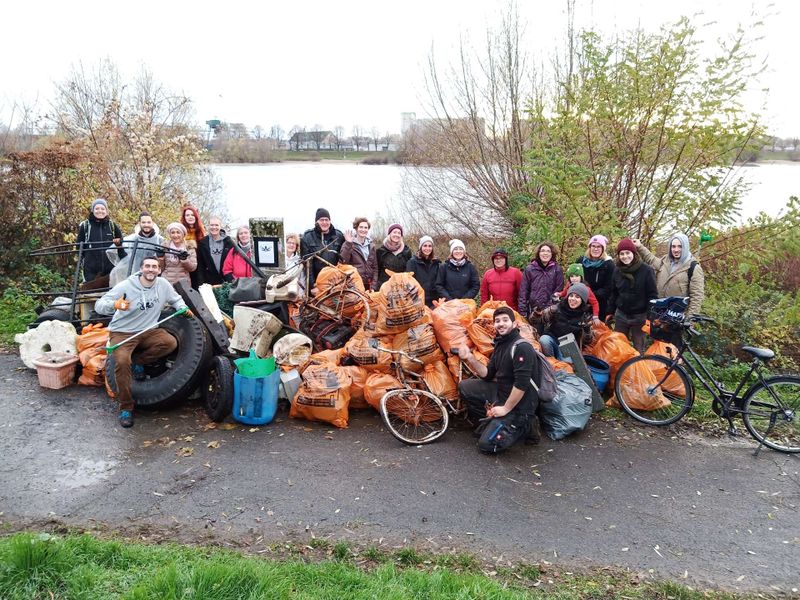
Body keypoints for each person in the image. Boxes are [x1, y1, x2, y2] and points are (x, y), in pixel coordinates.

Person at [95, 256, 191, 428]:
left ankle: (139, 361)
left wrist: (182, 307)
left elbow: (175, 299)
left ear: (159, 270)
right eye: (147, 266)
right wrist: (115, 304)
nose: (151, 269)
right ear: (141, 268)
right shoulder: (126, 286)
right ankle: (126, 407)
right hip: (122, 332)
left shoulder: (163, 285)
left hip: (148, 330)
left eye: (154, 267)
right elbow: (99, 305)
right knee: (122, 362)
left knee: (169, 342)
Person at [456, 306, 540, 453]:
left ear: (515, 324)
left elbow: (522, 384)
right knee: (465, 387)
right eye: (497, 321)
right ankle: (493, 421)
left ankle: (527, 425)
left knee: (486, 445)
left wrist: (505, 409)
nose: (500, 323)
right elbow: (487, 374)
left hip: (521, 404)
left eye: (505, 320)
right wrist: (470, 357)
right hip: (502, 393)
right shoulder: (501, 344)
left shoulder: (522, 347)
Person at [634, 233, 705, 318]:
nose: (676, 250)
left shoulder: (693, 268)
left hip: (676, 318)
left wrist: (690, 320)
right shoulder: (665, 260)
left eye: (680, 246)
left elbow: (697, 297)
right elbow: (651, 259)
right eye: (673, 246)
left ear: (685, 247)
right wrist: (639, 247)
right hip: (657, 314)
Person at [608, 238, 658, 353]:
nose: (625, 256)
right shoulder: (617, 271)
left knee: (639, 349)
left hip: (640, 316)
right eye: (622, 254)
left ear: (634, 254)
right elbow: (614, 293)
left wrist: (650, 318)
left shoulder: (646, 270)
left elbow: (652, 295)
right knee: (618, 346)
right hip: (621, 315)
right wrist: (610, 311)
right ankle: (620, 370)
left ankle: (638, 369)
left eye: (628, 253)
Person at [539, 282, 595, 360]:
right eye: (571, 295)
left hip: (569, 346)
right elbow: (538, 320)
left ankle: (560, 364)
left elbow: (589, 341)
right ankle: (550, 361)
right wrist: (539, 314)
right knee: (544, 340)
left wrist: (587, 329)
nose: (573, 299)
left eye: (577, 297)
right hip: (553, 338)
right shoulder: (557, 308)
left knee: (566, 365)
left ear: (583, 300)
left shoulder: (585, 316)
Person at [76, 198, 123, 283]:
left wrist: (122, 261)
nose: (100, 211)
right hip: (90, 270)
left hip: (110, 269)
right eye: (97, 209)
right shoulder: (85, 225)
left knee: (110, 293)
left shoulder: (112, 225)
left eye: (102, 209)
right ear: (93, 210)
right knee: (90, 294)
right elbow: (79, 246)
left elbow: (121, 243)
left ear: (106, 211)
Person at [518, 242, 564, 328]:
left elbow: (558, 290)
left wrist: (548, 308)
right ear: (538, 253)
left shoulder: (557, 269)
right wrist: (522, 312)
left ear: (552, 254)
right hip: (533, 310)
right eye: (542, 251)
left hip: (551, 311)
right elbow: (523, 291)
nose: (545, 253)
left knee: (547, 336)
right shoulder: (530, 269)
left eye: (548, 251)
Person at [300, 208, 345, 292]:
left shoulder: (338, 236)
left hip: (335, 282)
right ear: (316, 222)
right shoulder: (307, 237)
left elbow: (343, 258)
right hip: (317, 283)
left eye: (326, 220)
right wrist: (312, 286)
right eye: (321, 220)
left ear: (330, 221)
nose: (324, 222)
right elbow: (307, 265)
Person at [577, 234, 616, 321]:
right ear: (589, 247)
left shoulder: (609, 265)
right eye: (593, 246)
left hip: (600, 304)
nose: (595, 249)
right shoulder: (581, 261)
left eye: (599, 247)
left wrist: (591, 296)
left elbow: (609, 287)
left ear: (603, 249)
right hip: (580, 301)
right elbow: (574, 280)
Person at [115, 211, 164, 277]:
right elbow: (124, 258)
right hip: (135, 275)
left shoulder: (160, 240)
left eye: (149, 222)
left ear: (152, 223)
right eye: (143, 222)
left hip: (153, 276)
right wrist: (119, 246)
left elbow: (164, 263)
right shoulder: (132, 239)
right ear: (139, 223)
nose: (146, 225)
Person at [339, 217, 378, 289]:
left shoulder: (371, 246)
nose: (363, 230)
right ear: (356, 228)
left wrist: (373, 286)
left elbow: (375, 268)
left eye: (366, 228)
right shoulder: (349, 243)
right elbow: (342, 262)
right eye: (361, 227)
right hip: (354, 284)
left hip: (369, 284)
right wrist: (348, 244)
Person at [196, 216, 233, 285]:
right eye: (212, 225)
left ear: (220, 226)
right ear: (208, 226)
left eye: (216, 225)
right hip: (209, 281)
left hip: (226, 280)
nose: (214, 227)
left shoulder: (228, 242)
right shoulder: (203, 242)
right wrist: (201, 283)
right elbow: (200, 265)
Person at [375, 223, 412, 290]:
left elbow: (408, 271)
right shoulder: (380, 251)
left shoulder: (407, 251)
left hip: (400, 288)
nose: (396, 235)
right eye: (394, 232)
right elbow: (376, 270)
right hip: (383, 287)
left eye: (399, 233)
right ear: (389, 234)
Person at [406, 235, 441, 308]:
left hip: (433, 302)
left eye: (430, 246)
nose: (427, 248)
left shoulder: (436, 263)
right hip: (418, 301)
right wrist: (416, 301)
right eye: (425, 246)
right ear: (420, 247)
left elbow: (439, 283)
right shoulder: (412, 262)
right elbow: (409, 284)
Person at [160, 222, 197, 286]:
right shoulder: (164, 247)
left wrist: (185, 260)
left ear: (183, 234)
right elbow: (160, 268)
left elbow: (192, 268)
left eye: (178, 232)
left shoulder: (189, 247)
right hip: (167, 282)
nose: (175, 235)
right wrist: (160, 258)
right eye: (173, 232)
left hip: (183, 283)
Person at [284, 232, 306, 296]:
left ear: (296, 246)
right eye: (289, 243)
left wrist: (301, 296)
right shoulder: (280, 259)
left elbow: (302, 280)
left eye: (293, 243)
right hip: (279, 293)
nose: (291, 245)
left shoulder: (299, 261)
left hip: (293, 294)